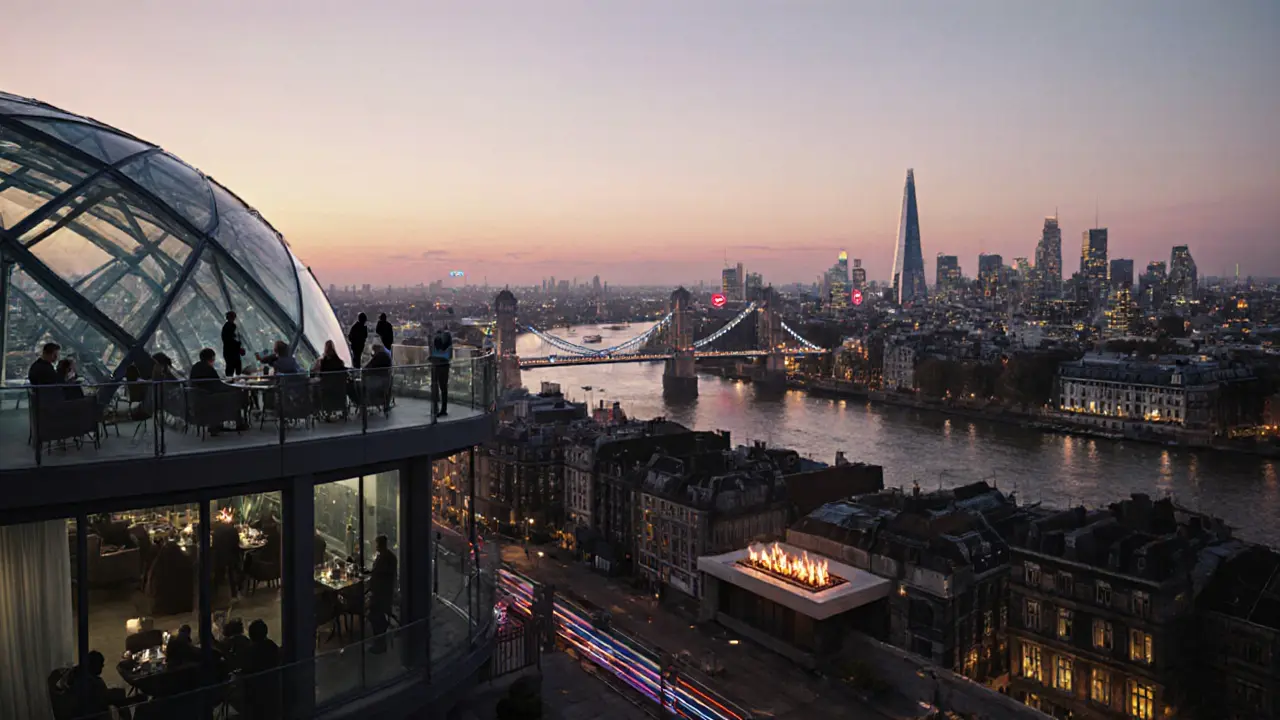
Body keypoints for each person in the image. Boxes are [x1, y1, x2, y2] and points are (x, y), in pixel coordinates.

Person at [61, 649, 140, 719]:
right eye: (101, 664)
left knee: (118, 694)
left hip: (84, 710)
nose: (103, 666)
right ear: (95, 665)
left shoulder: (76, 674)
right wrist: (132, 699)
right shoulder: (94, 682)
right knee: (119, 696)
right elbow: (105, 699)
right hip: (94, 713)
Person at [242, 620, 281, 720]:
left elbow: (245, 668)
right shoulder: (271, 646)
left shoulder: (251, 651)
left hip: (256, 695)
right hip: (272, 693)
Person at [368, 534, 398, 652]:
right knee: (374, 616)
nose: (376, 547)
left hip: (381, 595)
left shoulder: (385, 558)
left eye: (377, 544)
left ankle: (380, 644)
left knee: (375, 616)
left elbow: (380, 574)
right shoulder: (388, 557)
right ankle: (379, 641)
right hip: (382, 594)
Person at [429, 327, 453, 417]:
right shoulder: (447, 345)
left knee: (439, 388)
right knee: (442, 389)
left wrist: (434, 357)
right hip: (442, 367)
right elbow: (447, 357)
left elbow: (446, 356)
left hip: (438, 367)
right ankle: (441, 409)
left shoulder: (439, 343)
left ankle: (438, 408)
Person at [222, 311, 245, 377]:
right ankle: (233, 380)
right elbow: (229, 340)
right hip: (231, 352)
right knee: (233, 367)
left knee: (233, 367)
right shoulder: (229, 327)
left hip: (230, 352)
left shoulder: (229, 326)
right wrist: (238, 346)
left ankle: (232, 380)